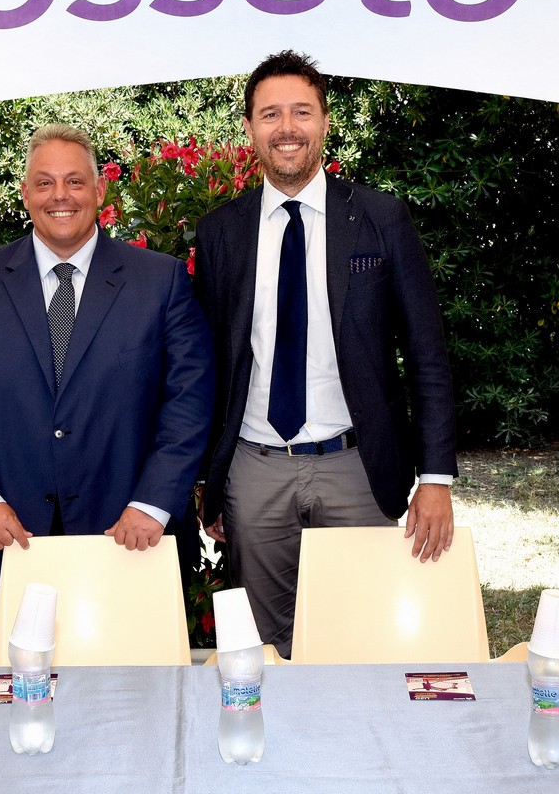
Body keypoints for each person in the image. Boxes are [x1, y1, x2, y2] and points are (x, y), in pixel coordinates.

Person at [193, 50, 457, 658]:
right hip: (254, 470)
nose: (286, 128)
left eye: (301, 112)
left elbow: (427, 353)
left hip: (356, 467)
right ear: (249, 127)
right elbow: (208, 367)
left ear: (325, 121)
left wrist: (435, 478)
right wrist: (211, 477)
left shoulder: (381, 219)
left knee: (361, 644)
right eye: (270, 114)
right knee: (261, 651)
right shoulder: (220, 232)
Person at [0, 123, 214, 665]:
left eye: (75, 181)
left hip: (129, 535)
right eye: (45, 182)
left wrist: (152, 503)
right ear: (25, 192)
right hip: (7, 536)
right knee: (16, 691)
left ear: (99, 190)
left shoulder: (161, 280)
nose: (61, 195)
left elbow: (189, 401)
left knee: (130, 694)